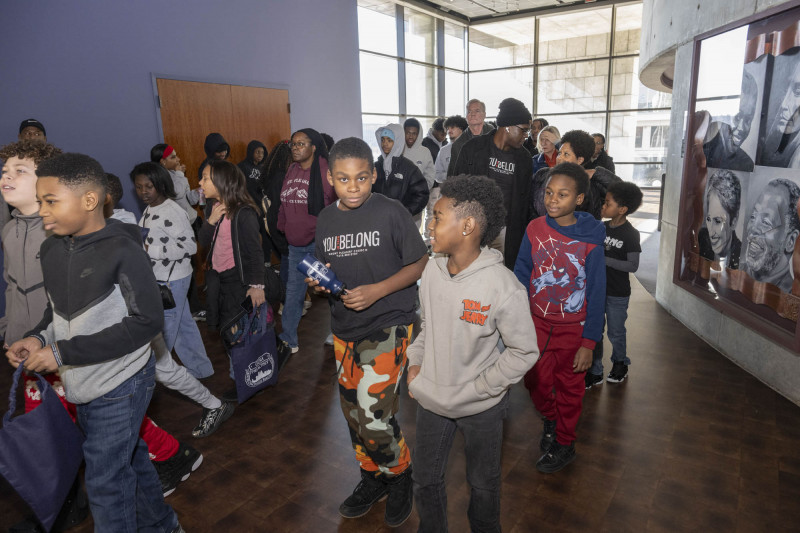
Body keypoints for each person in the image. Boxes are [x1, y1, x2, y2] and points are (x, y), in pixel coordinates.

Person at [5, 153, 183, 531]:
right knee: (129, 457)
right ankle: (164, 525)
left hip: (123, 382)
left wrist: (62, 352)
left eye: (51, 200)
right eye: (40, 201)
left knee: (105, 480)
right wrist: (38, 338)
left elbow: (146, 322)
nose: (43, 210)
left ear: (89, 201)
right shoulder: (52, 249)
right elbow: (57, 313)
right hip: (80, 379)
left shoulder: (123, 250)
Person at [406, 174, 539, 532]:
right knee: (425, 481)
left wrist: (483, 387)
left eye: (437, 216)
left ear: (467, 225)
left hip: (481, 407)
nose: (429, 225)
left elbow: (524, 351)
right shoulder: (431, 271)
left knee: (483, 486)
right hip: (431, 399)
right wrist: (416, 364)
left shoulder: (502, 286)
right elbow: (427, 326)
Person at [307, 137, 427, 527]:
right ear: (330, 178)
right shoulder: (326, 219)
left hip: (389, 322)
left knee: (374, 415)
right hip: (344, 327)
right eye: (343, 179)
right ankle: (371, 476)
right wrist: (319, 285)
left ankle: (400, 475)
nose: (353, 186)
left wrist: (377, 290)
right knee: (353, 414)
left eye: (361, 177)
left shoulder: (391, 212)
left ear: (373, 175)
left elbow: (419, 264)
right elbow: (324, 267)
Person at [513, 162, 606, 473]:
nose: (552, 200)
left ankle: (565, 442)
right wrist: (519, 316)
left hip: (573, 331)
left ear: (578, 199)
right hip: (536, 324)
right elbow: (523, 271)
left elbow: (597, 293)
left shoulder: (591, 241)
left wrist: (588, 343)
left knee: (570, 389)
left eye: (562, 195)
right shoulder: (534, 228)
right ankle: (550, 418)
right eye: (549, 193)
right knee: (534, 381)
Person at [132, 162, 214, 380]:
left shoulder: (173, 211)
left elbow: (189, 246)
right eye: (138, 187)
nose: (143, 192)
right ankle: (201, 369)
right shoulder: (150, 209)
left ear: (160, 184)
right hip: (162, 278)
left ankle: (152, 373)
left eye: (148, 186)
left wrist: (152, 250)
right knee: (184, 325)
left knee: (166, 330)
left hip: (173, 280)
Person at [198, 160, 267, 383]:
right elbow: (202, 241)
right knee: (226, 330)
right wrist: (210, 220)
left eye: (206, 178)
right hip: (219, 280)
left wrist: (256, 287)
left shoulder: (244, 214)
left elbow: (255, 253)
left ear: (222, 182)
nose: (200, 182)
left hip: (238, 281)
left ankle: (241, 377)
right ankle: (239, 374)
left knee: (237, 332)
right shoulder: (213, 208)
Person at [452, 97, 534, 269]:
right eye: (524, 130)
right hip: (475, 227)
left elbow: (526, 201)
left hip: (507, 231)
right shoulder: (472, 149)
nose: (526, 136)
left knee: (501, 275)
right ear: (508, 127)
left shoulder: (524, 159)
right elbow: (456, 189)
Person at [276, 128, 335, 354]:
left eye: (301, 144)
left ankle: (340, 332)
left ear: (313, 147)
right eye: (293, 144)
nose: (296, 148)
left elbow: (334, 206)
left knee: (330, 290)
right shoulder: (291, 169)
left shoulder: (324, 170)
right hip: (296, 245)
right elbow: (283, 202)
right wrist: (283, 226)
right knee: (293, 293)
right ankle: (288, 339)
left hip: (318, 245)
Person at [585, 181, 643, 389]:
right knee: (595, 330)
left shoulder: (630, 234)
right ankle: (595, 369)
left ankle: (620, 364)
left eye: (607, 203)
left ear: (622, 209)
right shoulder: (601, 227)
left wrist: (605, 259)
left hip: (618, 294)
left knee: (616, 332)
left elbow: (633, 265)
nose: (603, 206)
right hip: (598, 291)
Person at [531, 129, 621, 221]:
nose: (559, 158)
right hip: (542, 231)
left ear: (579, 160)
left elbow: (622, 190)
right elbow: (530, 205)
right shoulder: (542, 174)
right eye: (559, 153)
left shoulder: (589, 183)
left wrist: (596, 173)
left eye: (566, 154)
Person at [742, 178, 800, 292]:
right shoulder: (734, 272)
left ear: (790, 241)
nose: (752, 229)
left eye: (765, 223)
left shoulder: (791, 296)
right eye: (753, 217)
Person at [704, 72, 757, 171]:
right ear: (724, 114)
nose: (741, 127)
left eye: (748, 120)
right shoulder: (703, 152)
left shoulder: (747, 164)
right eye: (737, 117)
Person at [374, 124, 429, 217]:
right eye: (382, 140)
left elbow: (422, 194)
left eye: (389, 140)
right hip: (378, 220)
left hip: (399, 222)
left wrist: (405, 212)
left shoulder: (409, 168)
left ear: (398, 142)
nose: (385, 144)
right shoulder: (375, 166)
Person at [698, 169, 743, 269]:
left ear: (734, 221)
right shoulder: (701, 239)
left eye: (718, 221)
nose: (711, 231)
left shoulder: (742, 256)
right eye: (709, 219)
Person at [151, 143, 201, 226]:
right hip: (179, 224)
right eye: (173, 157)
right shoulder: (159, 179)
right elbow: (177, 193)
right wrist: (180, 174)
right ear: (163, 161)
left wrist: (197, 192)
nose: (178, 159)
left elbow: (187, 199)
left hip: (191, 219)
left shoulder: (175, 174)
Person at [447, 99, 493, 177]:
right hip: (470, 185)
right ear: (466, 117)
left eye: (477, 111)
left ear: (484, 115)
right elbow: (453, 175)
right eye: (469, 111)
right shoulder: (458, 145)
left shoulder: (494, 136)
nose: (472, 114)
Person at [433, 115, 468, 187]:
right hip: (448, 192)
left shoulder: (470, 147)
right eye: (447, 128)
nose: (449, 131)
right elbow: (436, 174)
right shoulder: (443, 150)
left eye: (452, 127)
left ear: (461, 129)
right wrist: (451, 176)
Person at [402, 118, 436, 189]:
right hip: (398, 196)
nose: (411, 137)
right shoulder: (397, 150)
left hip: (419, 195)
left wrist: (420, 190)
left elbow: (430, 176)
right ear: (403, 133)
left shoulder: (425, 152)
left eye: (414, 133)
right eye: (408, 133)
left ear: (419, 134)